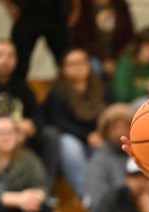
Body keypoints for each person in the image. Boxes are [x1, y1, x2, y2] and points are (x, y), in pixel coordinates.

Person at [0, 39, 60, 187]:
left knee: (50, 134)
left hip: (23, 137)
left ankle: (45, 189)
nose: (5, 60)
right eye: (0, 55)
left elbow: (38, 113)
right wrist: (13, 129)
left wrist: (32, 125)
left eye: (11, 56)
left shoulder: (20, 84)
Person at [44, 47, 111, 203]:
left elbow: (112, 111)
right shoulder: (57, 92)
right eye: (73, 63)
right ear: (64, 68)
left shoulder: (102, 87)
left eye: (82, 61)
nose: (79, 66)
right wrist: (87, 136)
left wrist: (101, 134)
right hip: (72, 137)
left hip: (98, 135)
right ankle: (86, 194)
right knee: (69, 145)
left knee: (108, 145)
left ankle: (108, 193)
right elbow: (59, 122)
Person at [1, 0, 78, 81]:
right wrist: (9, 6)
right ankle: (14, 89)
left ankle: (73, 88)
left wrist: (76, 8)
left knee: (66, 56)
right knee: (19, 60)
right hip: (26, 12)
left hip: (56, 13)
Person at [85, 102, 132, 211]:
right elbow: (98, 201)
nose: (120, 132)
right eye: (115, 127)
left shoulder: (143, 156)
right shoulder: (98, 161)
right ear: (106, 131)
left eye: (125, 126)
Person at [73, 0, 134, 79]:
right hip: (93, 55)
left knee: (127, 66)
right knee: (95, 68)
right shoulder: (85, 5)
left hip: (118, 55)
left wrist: (117, 58)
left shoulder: (121, 5)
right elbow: (83, 39)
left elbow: (129, 35)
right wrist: (104, 60)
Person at [113, 26, 149, 106]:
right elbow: (123, 96)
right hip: (132, 108)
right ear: (145, 46)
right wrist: (147, 91)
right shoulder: (127, 63)